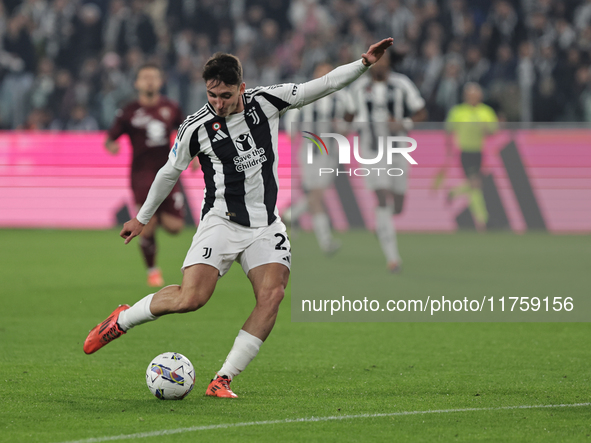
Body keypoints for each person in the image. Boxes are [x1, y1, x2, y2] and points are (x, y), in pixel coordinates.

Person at [84, 38, 395, 398]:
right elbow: (170, 172)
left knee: (273, 294)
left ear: (242, 88)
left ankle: (223, 378)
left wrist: (363, 63)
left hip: (265, 224)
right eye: (212, 95)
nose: (218, 103)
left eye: (226, 96)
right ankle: (121, 319)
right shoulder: (195, 127)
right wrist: (141, 218)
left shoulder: (266, 101)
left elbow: (321, 86)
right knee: (191, 299)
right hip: (221, 220)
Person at [105, 63, 186, 287]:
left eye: (153, 77)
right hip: (141, 174)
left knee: (175, 227)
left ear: (160, 82)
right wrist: (111, 145)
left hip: (168, 172)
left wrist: (195, 157)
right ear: (137, 83)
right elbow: (111, 137)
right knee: (146, 224)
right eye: (145, 77)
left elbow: (186, 134)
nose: (149, 81)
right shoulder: (128, 111)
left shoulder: (171, 108)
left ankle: (156, 216)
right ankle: (152, 271)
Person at [348, 51, 427, 273]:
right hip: (371, 151)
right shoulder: (358, 88)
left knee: (398, 205)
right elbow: (348, 115)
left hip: (398, 150)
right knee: (382, 197)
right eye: (376, 60)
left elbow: (421, 112)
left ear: (390, 62)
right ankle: (393, 259)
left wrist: (403, 123)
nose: (379, 64)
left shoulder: (402, 84)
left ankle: (382, 225)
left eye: (384, 60)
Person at [282, 62, 355, 255]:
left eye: (327, 72)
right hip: (307, 153)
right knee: (315, 197)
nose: (323, 75)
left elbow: (348, 125)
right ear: (315, 74)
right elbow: (291, 118)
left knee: (315, 196)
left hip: (328, 154)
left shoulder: (342, 97)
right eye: (320, 72)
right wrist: (291, 131)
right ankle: (326, 242)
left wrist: (340, 126)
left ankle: (290, 215)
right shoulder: (305, 93)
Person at [445, 82, 498, 230]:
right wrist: (449, 149)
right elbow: (449, 129)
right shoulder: (458, 111)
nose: (473, 97)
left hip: (479, 152)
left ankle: (455, 192)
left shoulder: (486, 112)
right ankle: (484, 221)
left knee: (475, 186)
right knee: (475, 184)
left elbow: (493, 130)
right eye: (470, 95)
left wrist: (485, 128)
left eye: (475, 95)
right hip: (465, 152)